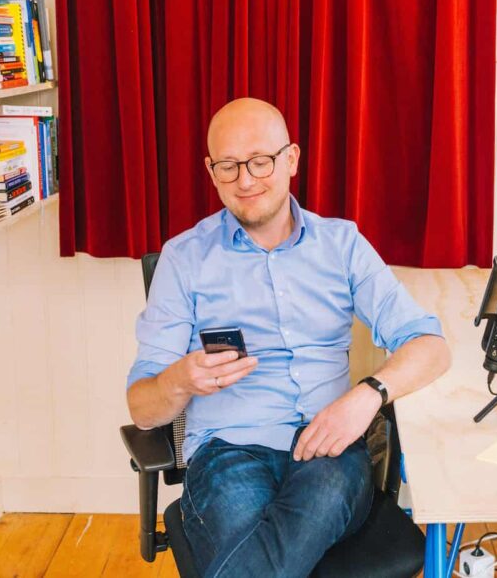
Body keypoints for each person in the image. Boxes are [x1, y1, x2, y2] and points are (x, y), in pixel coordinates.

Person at [126, 98, 451, 577]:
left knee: (310, 507)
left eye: (260, 161)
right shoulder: (184, 259)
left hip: (330, 447)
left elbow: (431, 346)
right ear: (211, 172)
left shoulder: (342, 244)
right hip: (227, 452)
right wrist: (178, 381)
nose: (245, 180)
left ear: (292, 159)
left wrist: (367, 396)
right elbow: (142, 409)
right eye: (228, 166)